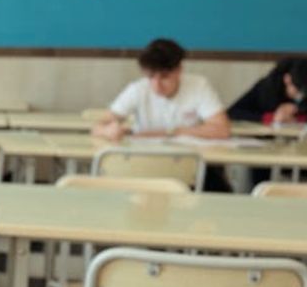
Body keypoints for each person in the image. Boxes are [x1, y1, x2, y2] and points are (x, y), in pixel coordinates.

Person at [92, 38, 232, 191]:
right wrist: (108, 130)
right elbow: (98, 126)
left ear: (179, 70)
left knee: (218, 188)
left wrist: (172, 132)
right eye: (151, 76)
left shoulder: (199, 86)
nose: (156, 85)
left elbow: (222, 129)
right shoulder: (138, 89)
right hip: (144, 165)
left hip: (188, 165)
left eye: (164, 77)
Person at [228, 57, 307, 125]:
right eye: (298, 90)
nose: (301, 96)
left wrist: (301, 116)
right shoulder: (266, 87)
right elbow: (233, 113)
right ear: (287, 80)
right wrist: (270, 118)